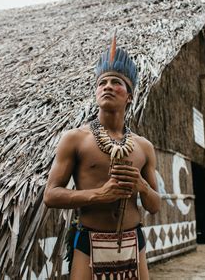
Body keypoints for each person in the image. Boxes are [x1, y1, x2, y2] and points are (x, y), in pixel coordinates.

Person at [43, 32, 160, 280]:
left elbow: (155, 205)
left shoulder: (143, 146)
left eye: (116, 82)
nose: (107, 86)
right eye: (102, 83)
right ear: (96, 92)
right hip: (90, 241)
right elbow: (51, 195)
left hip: (133, 241)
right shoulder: (75, 138)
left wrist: (141, 187)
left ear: (129, 96)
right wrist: (99, 194)